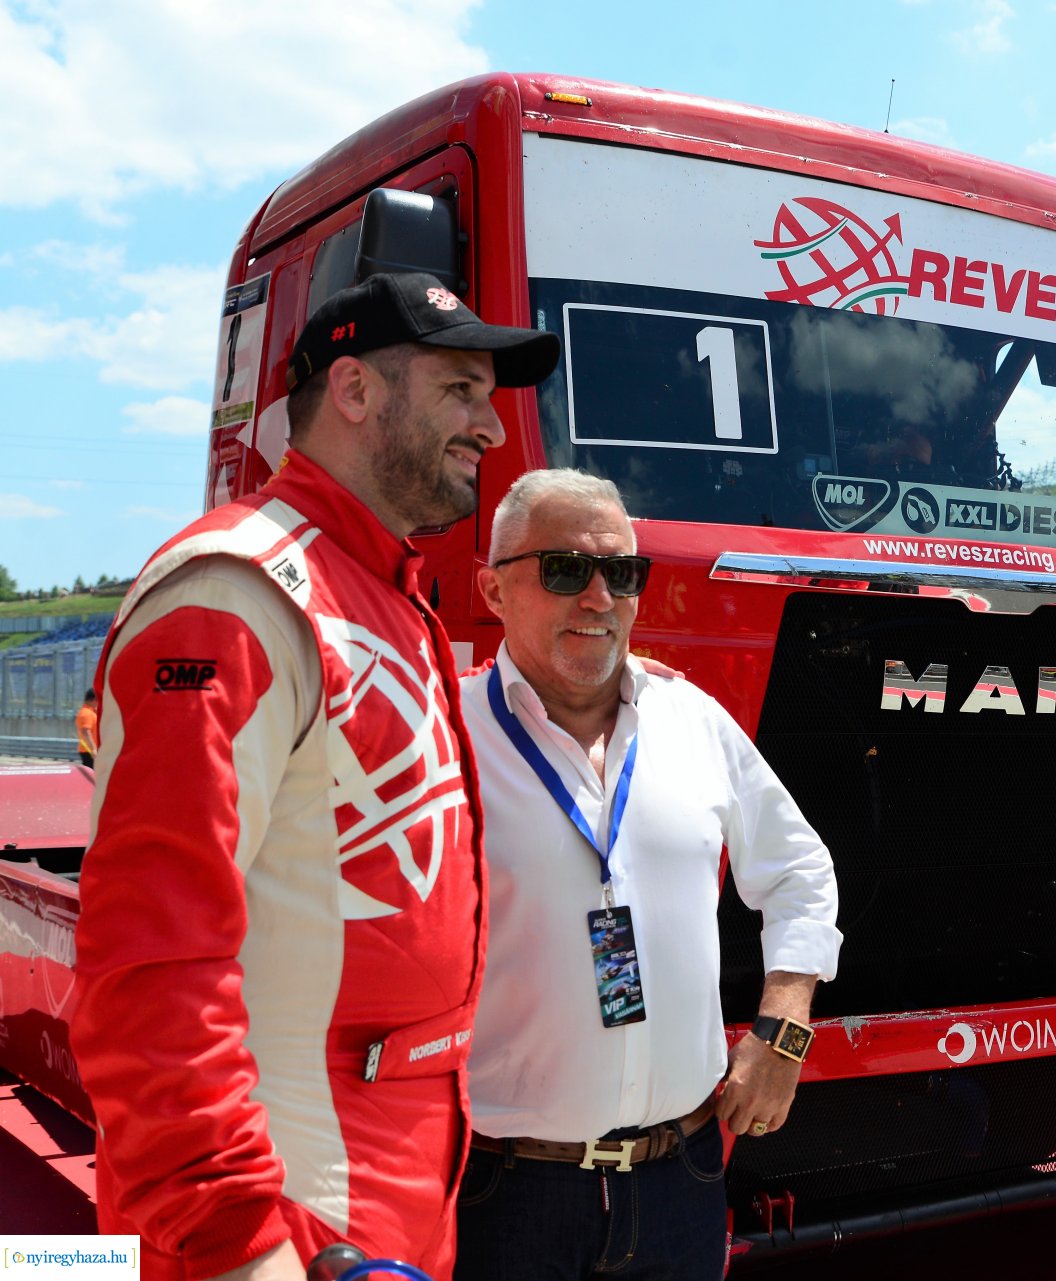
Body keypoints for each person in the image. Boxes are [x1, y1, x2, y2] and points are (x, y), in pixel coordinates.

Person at [70, 271, 560, 1280]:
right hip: (290, 1223)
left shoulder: (385, 592)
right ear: (355, 390)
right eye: (462, 390)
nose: (493, 430)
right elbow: (151, 964)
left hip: (393, 1200)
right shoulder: (233, 595)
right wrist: (238, 1244)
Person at [455, 470, 841, 1281]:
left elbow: (800, 867)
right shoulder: (443, 733)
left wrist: (784, 1027)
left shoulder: (693, 718)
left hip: (681, 1180)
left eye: (624, 574)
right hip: (507, 1191)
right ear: (492, 588)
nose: (600, 597)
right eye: (566, 569)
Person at [74, 687, 99, 768]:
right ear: (94, 699)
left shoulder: (90, 712)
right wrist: (93, 749)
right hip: (89, 751)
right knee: (91, 777)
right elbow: (85, 732)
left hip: (91, 751)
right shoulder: (86, 713)